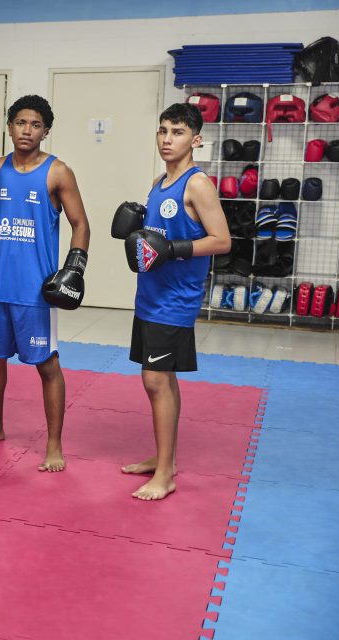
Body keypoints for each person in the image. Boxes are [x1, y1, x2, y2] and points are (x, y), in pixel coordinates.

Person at [0, 95, 91, 472]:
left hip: (35, 290)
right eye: (19, 123)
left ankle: (54, 444)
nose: (26, 130)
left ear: (45, 130)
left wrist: (74, 268)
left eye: (34, 125)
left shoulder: (58, 172)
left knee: (47, 364)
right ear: (9, 126)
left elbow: (81, 224)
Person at [112, 103, 230, 500]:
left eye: (177, 132)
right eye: (162, 130)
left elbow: (222, 240)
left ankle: (165, 474)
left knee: (155, 379)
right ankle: (165, 459)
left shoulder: (198, 184)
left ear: (195, 139)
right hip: (150, 294)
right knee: (162, 381)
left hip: (176, 298)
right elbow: (154, 238)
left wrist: (175, 249)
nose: (167, 139)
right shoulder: (159, 181)